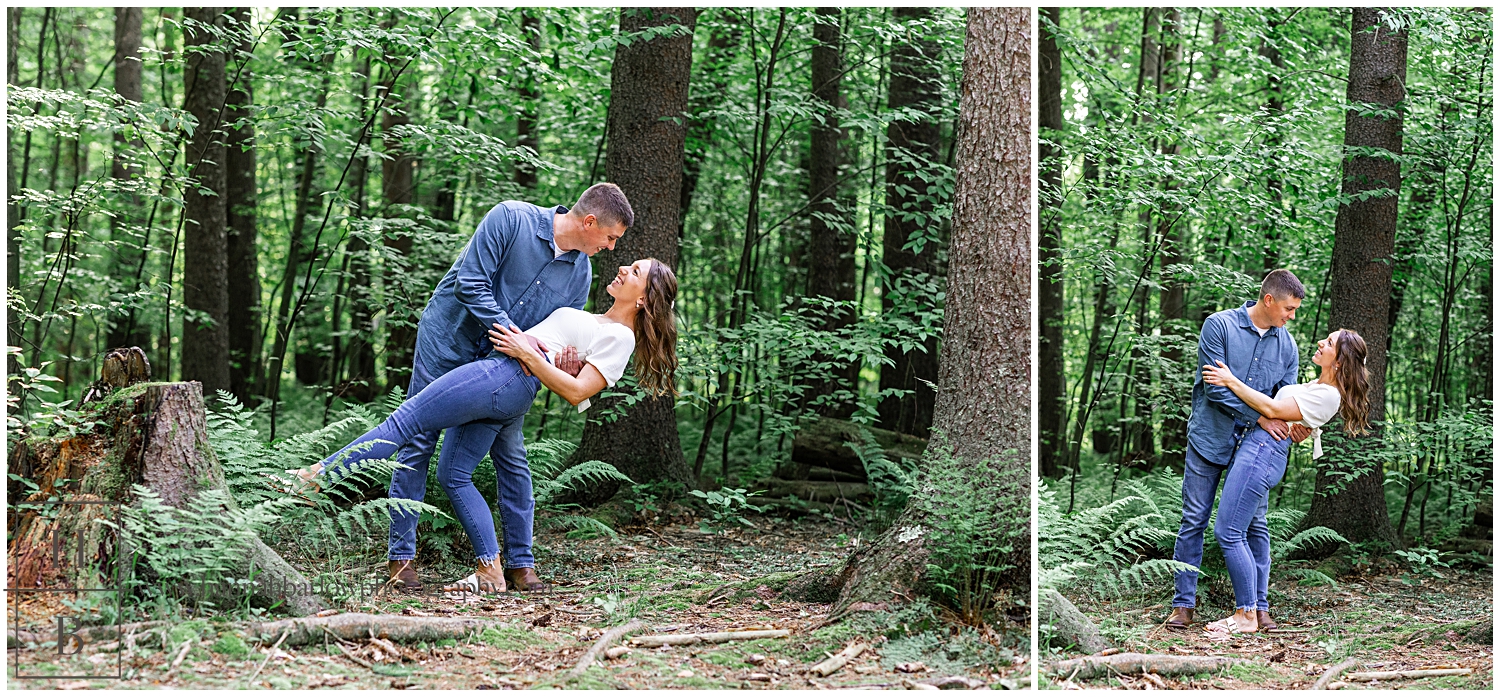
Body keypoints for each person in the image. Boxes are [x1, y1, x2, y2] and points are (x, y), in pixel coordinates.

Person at [296, 183, 633, 594]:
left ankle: (520, 565)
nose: (612, 249)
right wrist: (519, 337)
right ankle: (401, 560)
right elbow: (470, 283)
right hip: (448, 341)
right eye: (611, 237)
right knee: (416, 440)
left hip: (502, 367)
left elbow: (561, 333)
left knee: (511, 456)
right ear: (590, 221)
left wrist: (565, 360)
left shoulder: (580, 273)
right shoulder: (511, 218)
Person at [1201, 328, 1370, 633]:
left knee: (1228, 532)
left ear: (1340, 361)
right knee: (1251, 531)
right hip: (1259, 448)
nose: (1320, 342)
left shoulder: (1329, 394)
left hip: (1262, 454)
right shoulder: (1316, 385)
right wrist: (1299, 425)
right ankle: (1254, 609)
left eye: (1329, 343)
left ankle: (1246, 615)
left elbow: (1272, 409)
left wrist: (1230, 380)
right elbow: (1288, 416)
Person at [1165, 269, 1306, 632]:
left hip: (1254, 452)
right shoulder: (1219, 327)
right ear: (1269, 299)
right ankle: (1183, 605)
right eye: (1289, 309)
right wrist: (1260, 417)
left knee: (1256, 525)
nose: (1292, 316)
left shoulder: (1287, 346)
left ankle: (1258, 607)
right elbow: (1215, 390)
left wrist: (1292, 423)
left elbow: (1284, 400)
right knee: (1194, 518)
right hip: (1209, 439)